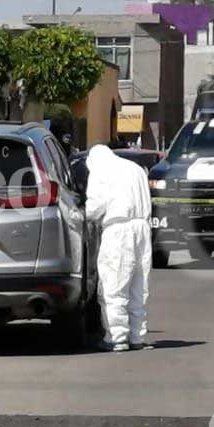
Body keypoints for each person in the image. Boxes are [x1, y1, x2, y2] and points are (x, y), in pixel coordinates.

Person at [84, 144, 153, 352]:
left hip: (118, 229)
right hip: (142, 228)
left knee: (114, 284)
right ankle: (137, 337)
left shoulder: (101, 170)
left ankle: (116, 337)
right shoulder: (135, 168)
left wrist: (81, 214)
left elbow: (95, 206)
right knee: (138, 286)